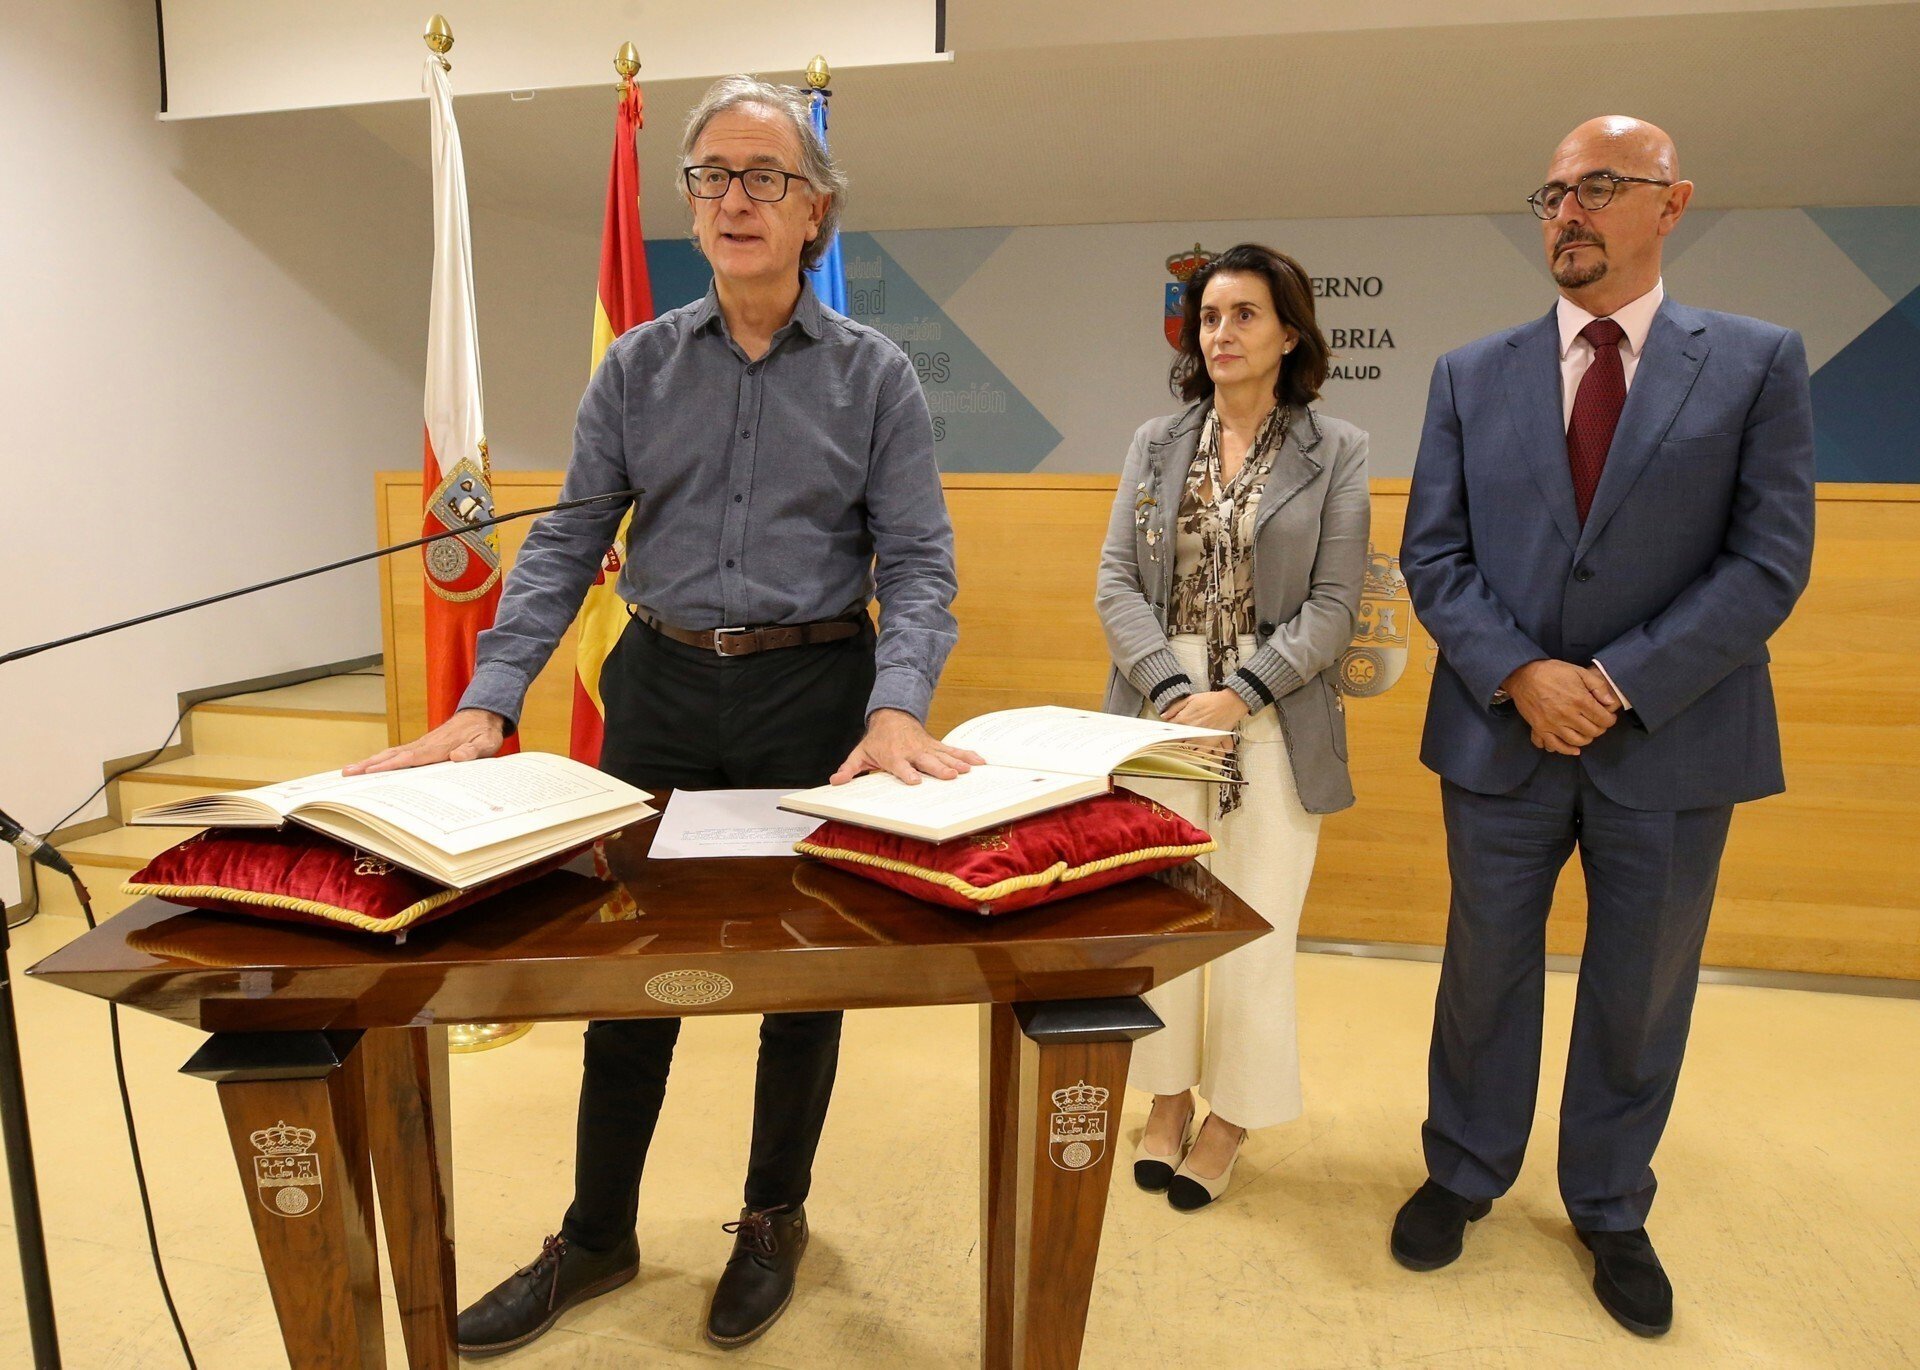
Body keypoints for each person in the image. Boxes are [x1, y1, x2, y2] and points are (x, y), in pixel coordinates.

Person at [347, 75, 975, 1353]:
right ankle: (597, 1233)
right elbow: (565, 541)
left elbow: (917, 565)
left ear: (815, 210)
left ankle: (773, 1216)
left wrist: (899, 706)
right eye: (712, 176)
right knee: (628, 969)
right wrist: (488, 700)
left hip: (814, 695)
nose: (736, 199)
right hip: (663, 689)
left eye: (766, 177)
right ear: (689, 203)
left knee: (805, 975)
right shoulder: (636, 367)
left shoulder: (877, 378)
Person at [1393, 116, 1815, 1336]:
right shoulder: (1470, 374)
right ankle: (1464, 1167)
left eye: (1598, 187)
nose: (1566, 212)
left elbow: (1769, 560)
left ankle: (1611, 1200)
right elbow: (1434, 555)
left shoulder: (1755, 362)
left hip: (1673, 739)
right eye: (1552, 194)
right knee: (1484, 967)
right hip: (1501, 733)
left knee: (1641, 986)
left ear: (1671, 204)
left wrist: (1616, 681)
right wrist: (1526, 672)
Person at [1096, 243, 1370, 1211]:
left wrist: (1239, 693)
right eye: (1209, 316)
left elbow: (1334, 606)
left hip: (1274, 709)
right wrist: (1177, 689)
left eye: (1244, 315)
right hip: (1161, 709)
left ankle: (1232, 1115)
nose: (1221, 333)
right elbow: (1116, 583)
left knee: (1253, 925)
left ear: (1289, 333)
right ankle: (1167, 1094)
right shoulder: (1156, 442)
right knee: (1163, 918)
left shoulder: (1337, 450)